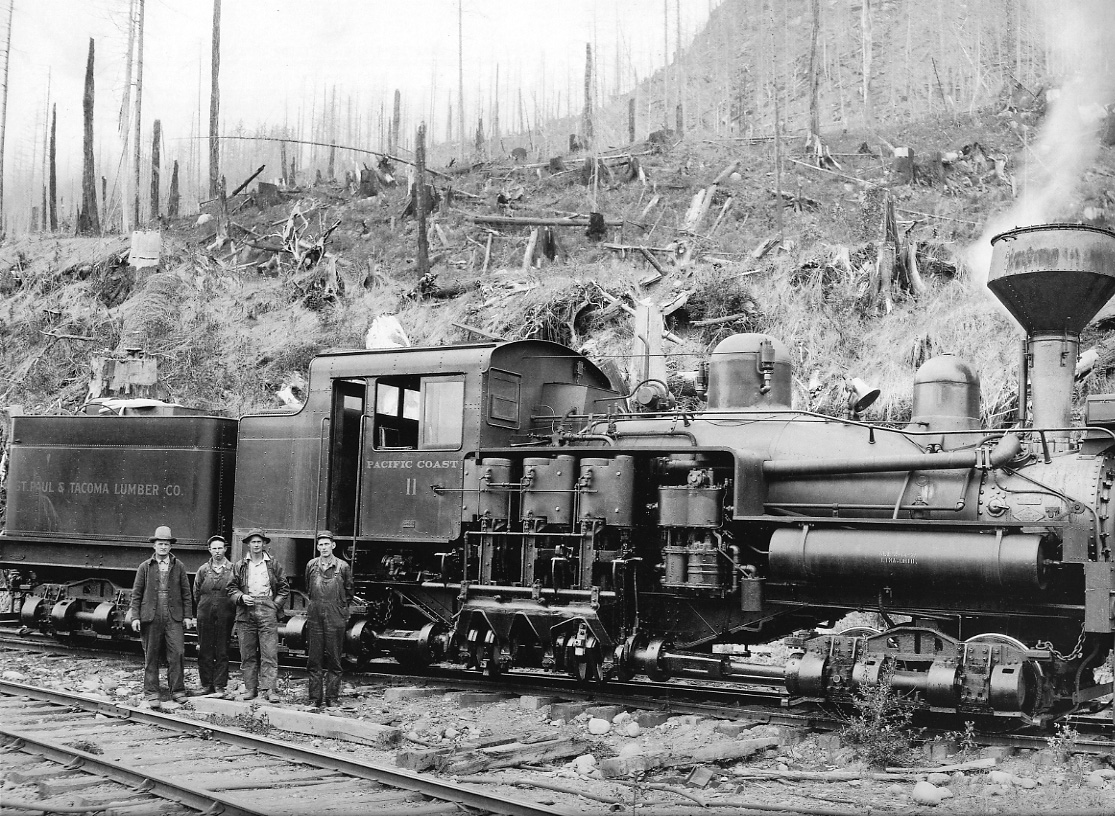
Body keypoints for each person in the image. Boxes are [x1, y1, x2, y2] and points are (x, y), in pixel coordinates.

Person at [128, 525, 196, 707]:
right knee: (151, 655)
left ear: (170, 546)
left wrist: (188, 616)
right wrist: (135, 617)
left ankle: (178, 691)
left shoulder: (178, 566)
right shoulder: (145, 567)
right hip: (151, 616)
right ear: (154, 546)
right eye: (160, 544)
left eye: (166, 544)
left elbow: (186, 593)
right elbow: (136, 593)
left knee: (177, 653)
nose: (163, 547)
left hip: (173, 617)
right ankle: (152, 693)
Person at [228, 528, 288, 703]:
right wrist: (240, 597)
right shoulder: (240, 565)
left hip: (267, 609)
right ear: (248, 544)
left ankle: (270, 690)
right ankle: (250, 689)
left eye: (259, 542)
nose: (256, 545)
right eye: (253, 542)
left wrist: (274, 606)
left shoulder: (273, 564)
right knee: (247, 654)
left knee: (269, 653)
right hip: (245, 611)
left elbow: (284, 588)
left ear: (264, 544)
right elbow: (231, 588)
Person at [305, 530, 354, 708]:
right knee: (314, 659)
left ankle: (332, 698)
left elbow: (349, 591)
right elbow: (308, 588)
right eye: (321, 544)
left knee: (335, 659)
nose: (324, 547)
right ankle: (314, 698)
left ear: (333, 545)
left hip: (335, 616)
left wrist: (338, 609)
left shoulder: (343, 567)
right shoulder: (311, 565)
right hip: (315, 615)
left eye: (327, 544)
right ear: (317, 547)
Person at [193, 534, 237, 697]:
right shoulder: (203, 570)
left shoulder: (233, 569)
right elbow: (196, 592)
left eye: (220, 548)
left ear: (225, 549)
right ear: (209, 550)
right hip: (205, 613)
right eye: (214, 548)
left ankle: (219, 685)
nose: (217, 551)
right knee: (204, 649)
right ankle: (206, 684)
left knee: (222, 650)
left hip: (225, 613)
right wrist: (205, 606)